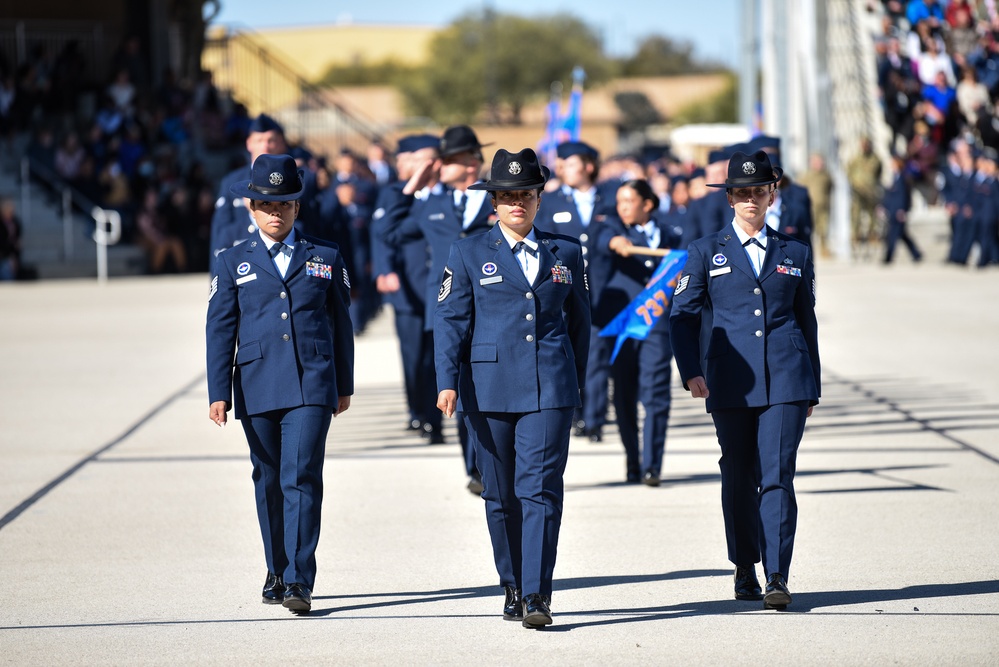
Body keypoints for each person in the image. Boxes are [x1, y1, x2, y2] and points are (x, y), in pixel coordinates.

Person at [434, 148, 590, 628]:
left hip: (549, 387)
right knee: (500, 495)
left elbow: (581, 323)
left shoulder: (566, 251)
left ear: (539, 197)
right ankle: (512, 583)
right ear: (493, 203)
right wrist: (446, 383)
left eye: (525, 194)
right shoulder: (467, 252)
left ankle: (538, 594)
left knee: (540, 489)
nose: (517, 203)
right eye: (507, 195)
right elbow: (451, 321)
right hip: (488, 387)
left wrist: (574, 382)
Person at [669, 150, 820, 611]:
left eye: (759, 190)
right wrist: (690, 369)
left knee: (777, 474)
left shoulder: (795, 252)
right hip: (730, 379)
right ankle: (744, 565)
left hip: (787, 378)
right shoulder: (703, 251)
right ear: (729, 197)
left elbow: (805, 318)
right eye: (741, 192)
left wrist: (811, 382)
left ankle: (777, 574)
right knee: (738, 473)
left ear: (772, 194)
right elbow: (682, 314)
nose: (750, 199)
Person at [206, 154, 354, 614]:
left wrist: (343, 385)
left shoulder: (325, 256)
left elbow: (341, 324)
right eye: (266, 205)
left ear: (297, 206)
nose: (276, 213)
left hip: (312, 383)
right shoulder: (232, 261)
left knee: (302, 477)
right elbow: (219, 328)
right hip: (256, 382)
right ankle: (276, 567)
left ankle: (299, 580)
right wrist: (218, 391)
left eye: (285, 204)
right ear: (250, 207)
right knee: (268, 478)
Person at [595, 180, 681, 485]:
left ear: (648, 203)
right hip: (622, 326)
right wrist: (618, 243)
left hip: (657, 325)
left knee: (656, 394)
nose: (623, 207)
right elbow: (606, 240)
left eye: (629, 200)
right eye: (620, 201)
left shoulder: (673, 234)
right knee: (624, 396)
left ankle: (652, 465)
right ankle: (633, 457)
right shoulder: (612, 229)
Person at [535, 140, 613, 441]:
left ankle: (593, 419)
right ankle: (574, 411)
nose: (563, 169)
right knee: (566, 349)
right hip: (562, 287)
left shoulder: (608, 199)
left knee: (596, 354)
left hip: (602, 289)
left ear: (588, 167)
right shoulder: (552, 202)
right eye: (561, 164)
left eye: (570, 164)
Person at [370, 134, 442, 441]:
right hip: (407, 287)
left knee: (439, 357)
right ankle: (417, 410)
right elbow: (381, 234)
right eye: (411, 160)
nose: (417, 166)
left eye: (423, 160)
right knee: (413, 357)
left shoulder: (446, 194)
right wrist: (385, 270)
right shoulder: (395, 194)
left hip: (439, 288)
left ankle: (435, 419)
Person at [879, 153, 923, 264]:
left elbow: (904, 197)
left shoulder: (903, 178)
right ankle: (916, 254)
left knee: (892, 235)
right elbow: (889, 196)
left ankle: (888, 257)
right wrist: (883, 206)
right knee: (902, 235)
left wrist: (903, 210)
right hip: (892, 211)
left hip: (898, 212)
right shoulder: (894, 178)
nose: (891, 165)